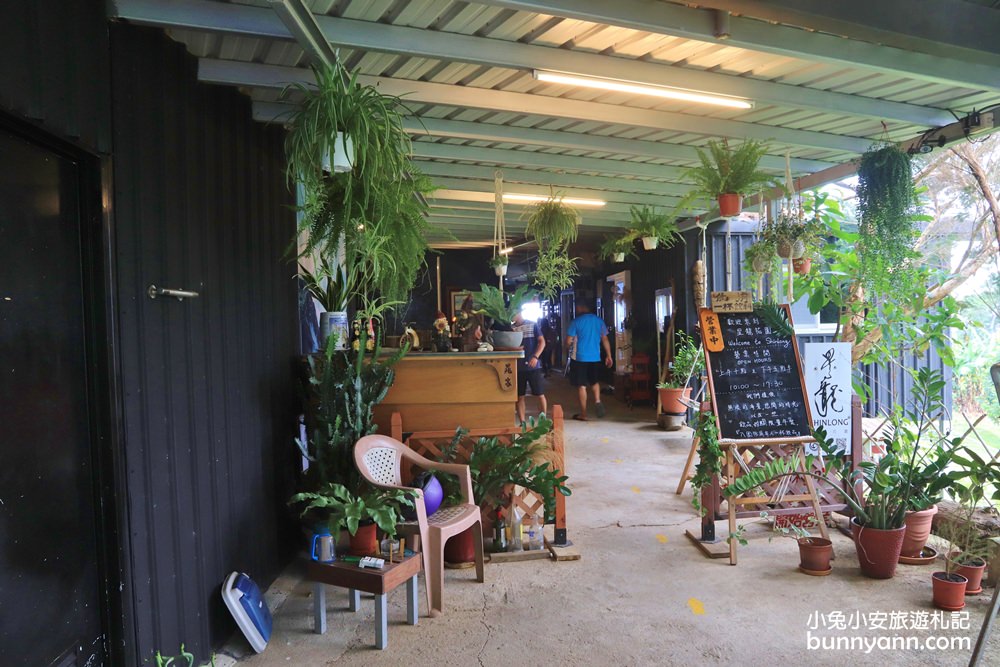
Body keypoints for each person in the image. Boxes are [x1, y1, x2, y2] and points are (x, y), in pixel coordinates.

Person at [566, 301, 612, 421]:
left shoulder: (576, 322)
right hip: (595, 357)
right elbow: (605, 339)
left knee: (581, 386)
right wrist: (609, 355)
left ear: (581, 307)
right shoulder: (599, 321)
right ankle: (597, 400)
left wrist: (567, 349)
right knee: (595, 381)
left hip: (580, 357)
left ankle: (584, 414)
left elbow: (568, 341)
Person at [512, 311, 547, 424]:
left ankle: (543, 420)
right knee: (519, 396)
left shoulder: (532, 325)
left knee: (540, 394)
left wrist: (535, 356)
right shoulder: (511, 329)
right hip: (518, 366)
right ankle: (522, 422)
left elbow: (542, 342)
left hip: (533, 366)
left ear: (519, 313)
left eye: (513, 313)